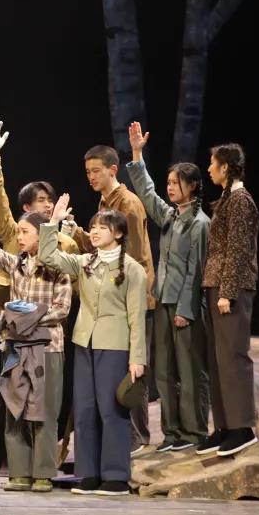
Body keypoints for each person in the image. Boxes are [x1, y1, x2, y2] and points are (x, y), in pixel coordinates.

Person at [0, 119, 78, 487]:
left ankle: (43, 473)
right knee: (14, 409)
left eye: (25, 232)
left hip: (48, 346)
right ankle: (18, 472)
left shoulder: (59, 263)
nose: (19, 237)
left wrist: (25, 318)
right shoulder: (15, 262)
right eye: (18, 231)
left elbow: (62, 309)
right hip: (17, 347)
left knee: (44, 411)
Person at [40, 195, 147, 496]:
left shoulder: (133, 270)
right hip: (84, 342)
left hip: (115, 346)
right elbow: (48, 256)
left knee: (111, 410)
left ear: (119, 233)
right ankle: (88, 473)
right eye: (94, 226)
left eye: (102, 227)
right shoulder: (86, 262)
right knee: (85, 409)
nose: (95, 231)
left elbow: (137, 317)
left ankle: (116, 476)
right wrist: (53, 222)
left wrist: (137, 358)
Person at [126, 122, 211, 453]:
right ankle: (172, 432)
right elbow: (147, 194)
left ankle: (194, 431)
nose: (170, 187)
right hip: (163, 301)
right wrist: (137, 153)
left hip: (184, 306)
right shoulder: (172, 217)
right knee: (163, 371)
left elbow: (196, 272)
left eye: (176, 183)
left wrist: (186, 311)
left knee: (189, 371)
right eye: (169, 183)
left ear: (192, 186)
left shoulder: (200, 224)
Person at [72, 145, 156, 456]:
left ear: (113, 170)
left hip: (131, 299)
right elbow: (103, 251)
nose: (91, 177)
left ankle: (138, 439)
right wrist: (78, 233)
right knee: (114, 375)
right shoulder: (106, 201)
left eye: (96, 171)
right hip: (111, 301)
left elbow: (134, 257)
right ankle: (125, 439)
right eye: (88, 172)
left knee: (133, 371)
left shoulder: (128, 204)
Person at [198, 143, 259, 457]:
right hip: (215, 285)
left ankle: (243, 427)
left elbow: (237, 250)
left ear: (225, 167)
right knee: (218, 359)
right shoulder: (226, 199)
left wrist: (227, 292)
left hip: (230, 288)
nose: (209, 169)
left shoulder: (241, 200)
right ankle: (224, 425)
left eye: (213, 163)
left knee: (233, 357)